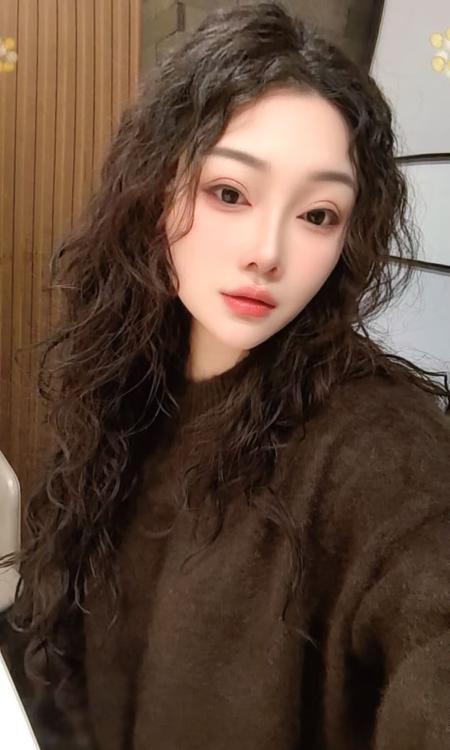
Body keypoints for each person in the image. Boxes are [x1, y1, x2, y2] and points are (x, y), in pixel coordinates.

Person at [3, 2, 450, 749]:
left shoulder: (379, 448)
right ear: (158, 189)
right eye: (230, 193)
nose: (267, 252)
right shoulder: (125, 385)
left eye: (318, 215)